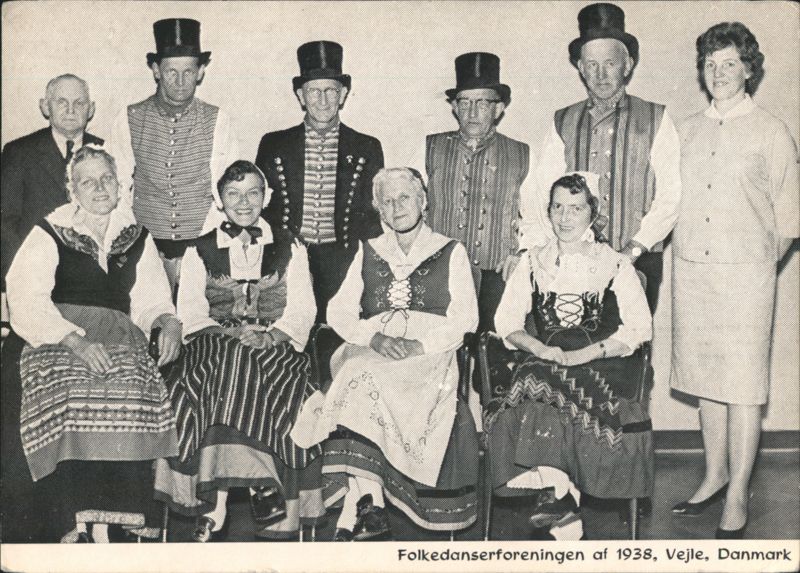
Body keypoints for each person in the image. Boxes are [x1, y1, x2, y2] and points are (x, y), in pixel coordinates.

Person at [3, 145, 182, 543]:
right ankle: (73, 523)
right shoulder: (50, 231)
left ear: (120, 186)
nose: (99, 188)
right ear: (72, 190)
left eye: (106, 179)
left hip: (119, 332)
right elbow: (26, 298)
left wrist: (168, 321)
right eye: (88, 182)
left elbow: (151, 300)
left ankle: (111, 525)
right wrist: (74, 342)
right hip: (57, 331)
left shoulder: (136, 236)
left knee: (131, 387)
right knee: (70, 389)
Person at [291, 168, 480, 540]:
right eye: (387, 201)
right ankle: (371, 502)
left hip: (429, 354)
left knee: (359, 375)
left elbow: (466, 318)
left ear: (423, 201)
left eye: (404, 198)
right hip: (374, 347)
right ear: (379, 209)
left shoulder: (450, 250)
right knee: (359, 369)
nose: (397, 207)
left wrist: (420, 345)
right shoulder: (369, 250)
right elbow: (338, 312)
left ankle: (359, 504)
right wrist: (373, 337)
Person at [669, 22, 798, 540]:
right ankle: (714, 475)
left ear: (748, 69)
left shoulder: (771, 130)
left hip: (746, 277)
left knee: (742, 386)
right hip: (692, 273)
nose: (718, 73)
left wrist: (758, 266)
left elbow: (788, 217)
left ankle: (739, 492)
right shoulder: (685, 130)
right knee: (707, 383)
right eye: (710, 64)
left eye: (729, 64)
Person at [153, 160, 323, 542]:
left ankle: (215, 506)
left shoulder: (291, 245)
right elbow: (190, 314)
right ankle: (260, 485)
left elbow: (303, 311)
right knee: (233, 358)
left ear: (266, 197)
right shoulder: (199, 249)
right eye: (233, 194)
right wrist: (230, 333)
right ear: (220, 200)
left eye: (252, 193)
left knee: (244, 364)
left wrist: (271, 337)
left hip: (276, 348)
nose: (243, 202)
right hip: (213, 346)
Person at [490, 172, 653, 540]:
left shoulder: (615, 264)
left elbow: (640, 329)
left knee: (539, 381)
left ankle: (557, 496)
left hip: (604, 362)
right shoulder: (533, 262)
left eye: (576, 208)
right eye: (558, 207)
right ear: (548, 211)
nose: (565, 217)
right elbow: (507, 323)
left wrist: (585, 354)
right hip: (548, 358)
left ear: (592, 213)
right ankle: (561, 500)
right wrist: (540, 347)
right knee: (538, 374)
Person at [521, 3, 681, 312]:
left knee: (631, 339)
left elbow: (671, 196)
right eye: (592, 64)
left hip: (639, 258)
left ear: (628, 65)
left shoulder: (656, 118)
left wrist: (634, 249)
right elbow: (543, 192)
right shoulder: (562, 121)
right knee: (573, 335)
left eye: (610, 63)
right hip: (573, 259)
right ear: (581, 68)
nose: (601, 73)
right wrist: (555, 250)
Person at [255, 41, 384, 323]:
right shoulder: (274, 144)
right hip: (287, 262)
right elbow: (259, 212)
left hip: (344, 263)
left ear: (343, 94)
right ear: (301, 95)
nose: (323, 100)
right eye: (314, 91)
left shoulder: (367, 147)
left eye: (331, 91)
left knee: (336, 334)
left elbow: (372, 220)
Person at [108, 18, 239, 289]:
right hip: (145, 244)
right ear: (156, 70)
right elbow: (117, 185)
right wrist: (128, 240)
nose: (180, 82)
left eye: (188, 71)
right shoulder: (129, 118)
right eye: (171, 72)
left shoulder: (218, 120)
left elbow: (228, 189)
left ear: (200, 72)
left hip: (202, 242)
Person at [421, 52, 531, 332]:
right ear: (454, 107)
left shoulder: (521, 154)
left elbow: (537, 215)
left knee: (492, 346)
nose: (472, 113)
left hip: (496, 274)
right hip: (440, 272)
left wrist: (522, 252)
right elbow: (407, 206)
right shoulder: (429, 148)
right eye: (465, 102)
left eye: (482, 103)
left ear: (498, 109)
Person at [1, 74, 103, 288]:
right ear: (45, 107)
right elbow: (6, 221)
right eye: (61, 102)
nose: (71, 110)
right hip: (34, 273)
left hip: (92, 280)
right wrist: (18, 276)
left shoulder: (106, 151)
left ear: (91, 109)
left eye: (79, 103)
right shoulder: (19, 152)